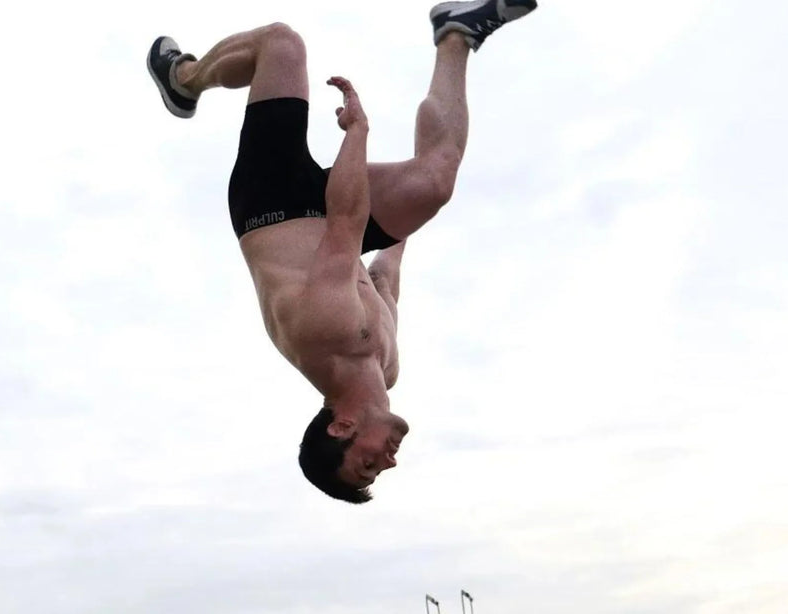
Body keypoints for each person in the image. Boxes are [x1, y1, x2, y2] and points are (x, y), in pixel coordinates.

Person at [146, 0, 538, 503]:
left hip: (273, 203)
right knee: (436, 179)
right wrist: (419, 203)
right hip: (335, 225)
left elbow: (347, 224)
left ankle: (183, 78)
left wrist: (357, 133)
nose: (389, 459)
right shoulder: (387, 364)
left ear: (341, 427)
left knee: (281, 44)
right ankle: (456, 33)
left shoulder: (322, 333)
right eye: (380, 469)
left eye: (368, 463)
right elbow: (383, 273)